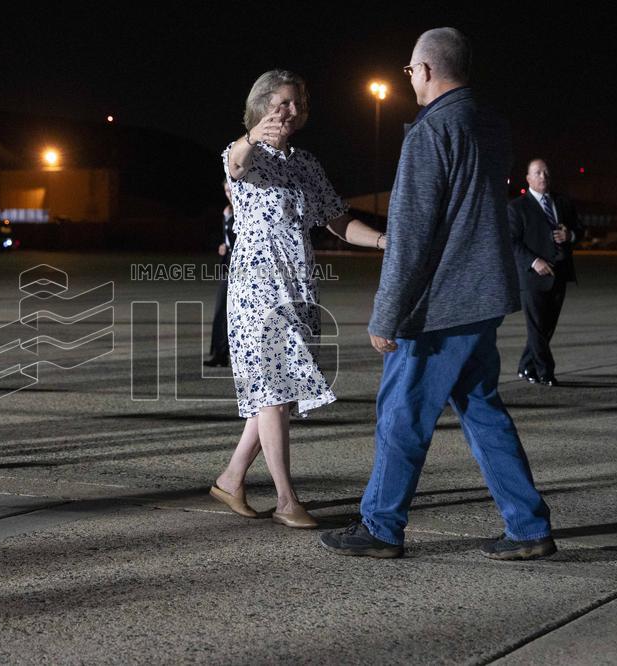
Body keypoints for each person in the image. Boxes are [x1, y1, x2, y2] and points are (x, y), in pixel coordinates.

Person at [319, 28, 556, 560]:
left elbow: (412, 233)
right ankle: (528, 526)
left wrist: (387, 315)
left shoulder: (431, 132)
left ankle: (380, 526)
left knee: (401, 413)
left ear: (425, 70)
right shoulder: (489, 124)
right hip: (483, 296)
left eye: (409, 70)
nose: (409, 80)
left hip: (440, 303)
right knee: (481, 410)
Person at [211, 70, 385, 529]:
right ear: (263, 104)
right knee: (274, 392)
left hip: (299, 285)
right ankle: (287, 500)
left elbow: (338, 220)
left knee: (279, 394)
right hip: (256, 286)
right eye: (281, 103)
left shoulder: (307, 163)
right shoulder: (241, 150)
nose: (289, 111)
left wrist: (385, 240)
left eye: (295, 104)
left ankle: (231, 479)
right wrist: (252, 135)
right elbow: (235, 165)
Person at [508, 159, 581, 387]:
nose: (543, 176)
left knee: (546, 327)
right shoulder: (517, 207)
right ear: (528, 178)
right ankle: (544, 372)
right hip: (533, 277)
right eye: (537, 173)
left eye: (546, 172)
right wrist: (534, 261)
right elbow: (511, 241)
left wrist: (570, 236)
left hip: (559, 273)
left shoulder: (562, 202)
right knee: (537, 327)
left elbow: (580, 228)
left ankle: (526, 366)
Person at [203, 181, 236, 368]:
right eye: (226, 190)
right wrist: (224, 247)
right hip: (229, 265)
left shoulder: (245, 210)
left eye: (231, 189)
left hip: (244, 268)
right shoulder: (227, 211)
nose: (229, 193)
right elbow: (227, 238)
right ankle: (220, 354)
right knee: (220, 310)